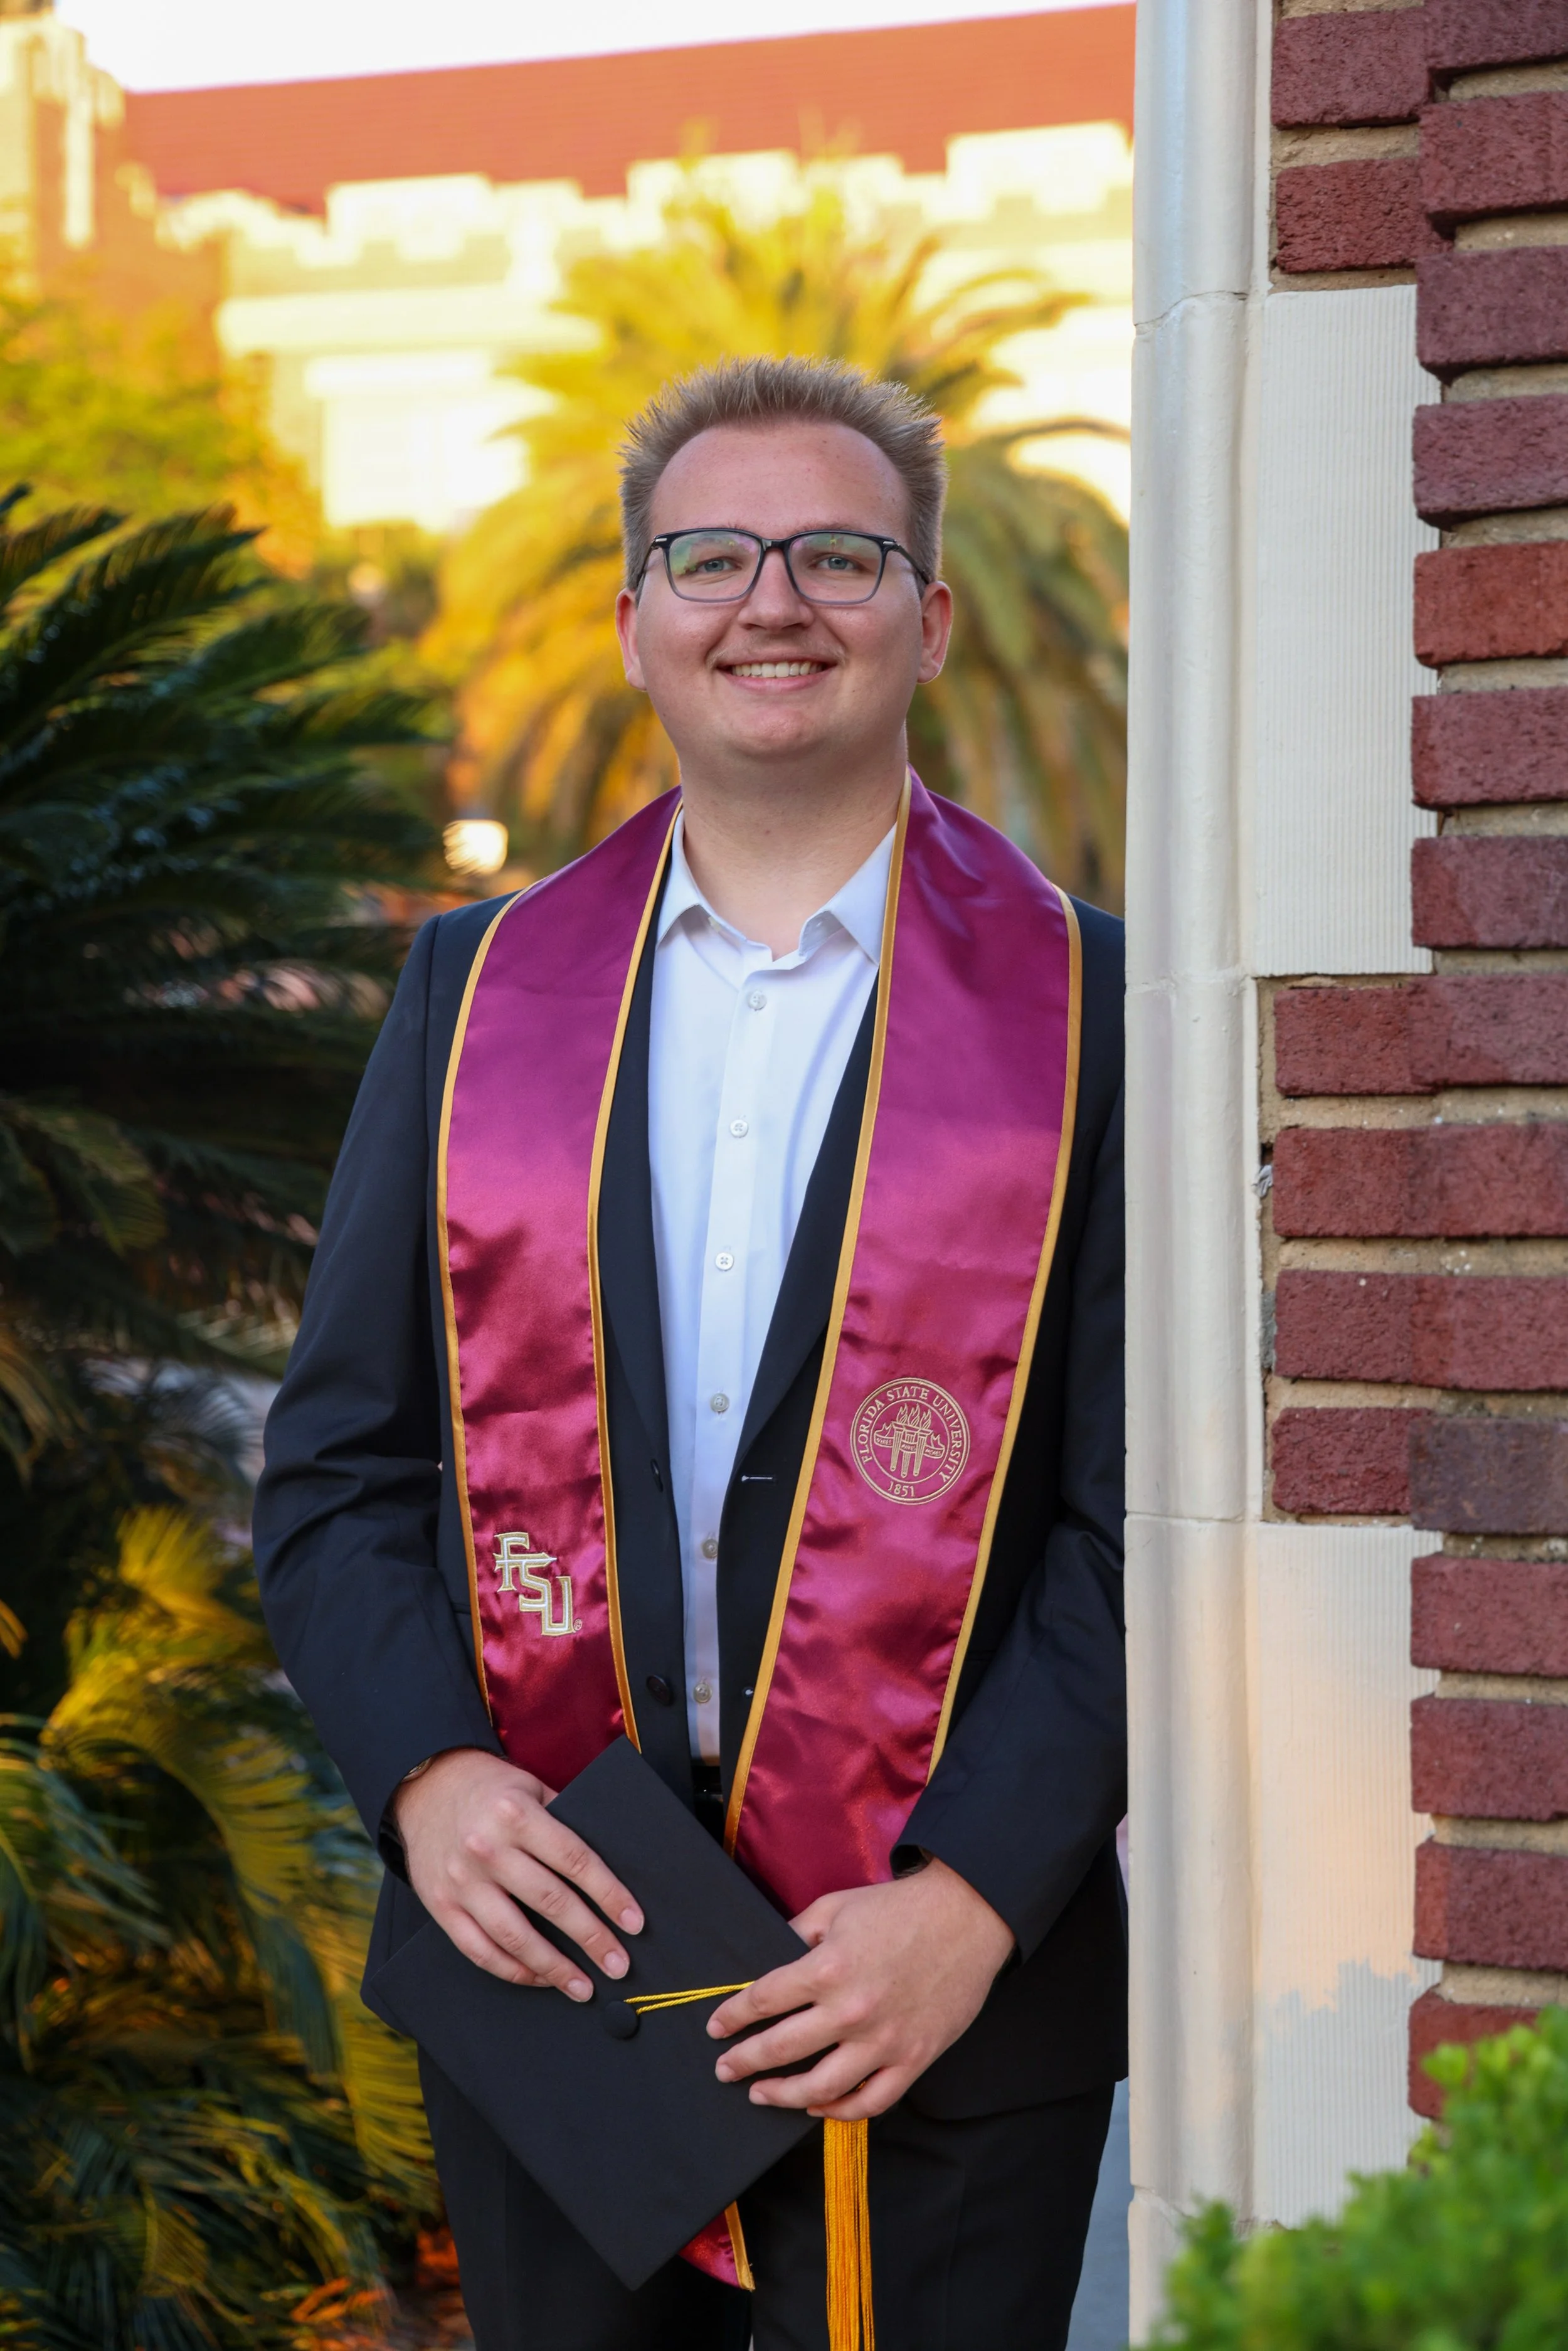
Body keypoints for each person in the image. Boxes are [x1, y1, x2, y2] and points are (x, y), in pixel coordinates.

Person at [253, 354, 1126, 2351]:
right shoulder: (479, 995)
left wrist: (974, 1897)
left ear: (930, 613)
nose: (773, 600)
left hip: (930, 1994)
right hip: (560, 1951)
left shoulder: (1092, 1007)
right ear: (631, 619)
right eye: (709, 554)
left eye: (838, 551)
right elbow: (340, 1471)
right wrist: (430, 1781)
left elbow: (1130, 1519)